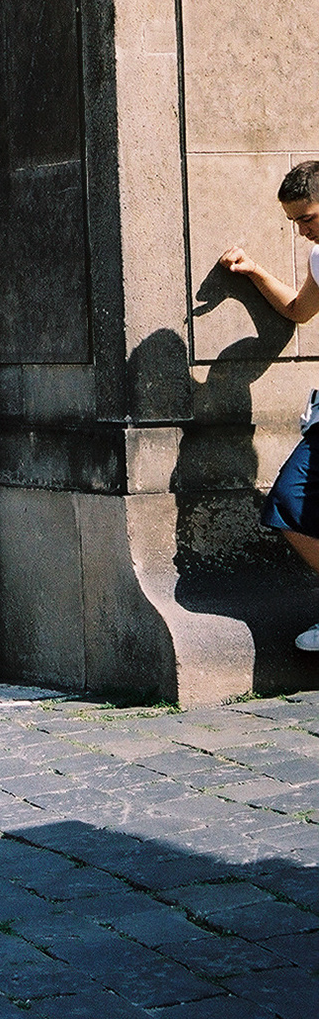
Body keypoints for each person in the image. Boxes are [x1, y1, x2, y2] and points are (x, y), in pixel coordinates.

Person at [220, 159, 319, 653]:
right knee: (289, 504)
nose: (302, 232)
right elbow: (300, 310)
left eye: (309, 218)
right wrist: (255, 270)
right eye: (295, 223)